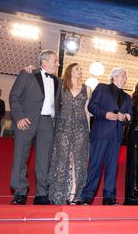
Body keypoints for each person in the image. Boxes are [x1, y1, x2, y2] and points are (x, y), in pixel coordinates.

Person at [9, 50, 61, 205]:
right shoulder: (28, 73)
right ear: (44, 61)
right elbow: (14, 96)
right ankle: (20, 192)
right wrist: (19, 117)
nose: (57, 64)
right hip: (26, 120)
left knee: (44, 160)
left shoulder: (58, 81)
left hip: (47, 123)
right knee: (20, 157)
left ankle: (41, 194)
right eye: (54, 60)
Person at [81, 67, 132, 205]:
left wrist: (126, 117)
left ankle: (109, 198)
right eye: (123, 76)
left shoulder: (128, 97)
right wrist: (105, 114)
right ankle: (86, 197)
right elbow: (92, 106)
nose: (125, 79)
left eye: (125, 77)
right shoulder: (102, 88)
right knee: (95, 166)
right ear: (114, 77)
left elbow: (129, 115)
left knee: (112, 168)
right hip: (101, 133)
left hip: (116, 136)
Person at [47, 63, 91, 205]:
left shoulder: (87, 89)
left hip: (81, 128)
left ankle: (75, 194)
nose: (80, 70)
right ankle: (58, 194)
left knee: (78, 160)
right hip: (63, 127)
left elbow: (86, 111)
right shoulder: (61, 85)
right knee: (62, 160)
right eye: (77, 68)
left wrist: (88, 130)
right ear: (70, 71)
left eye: (80, 69)